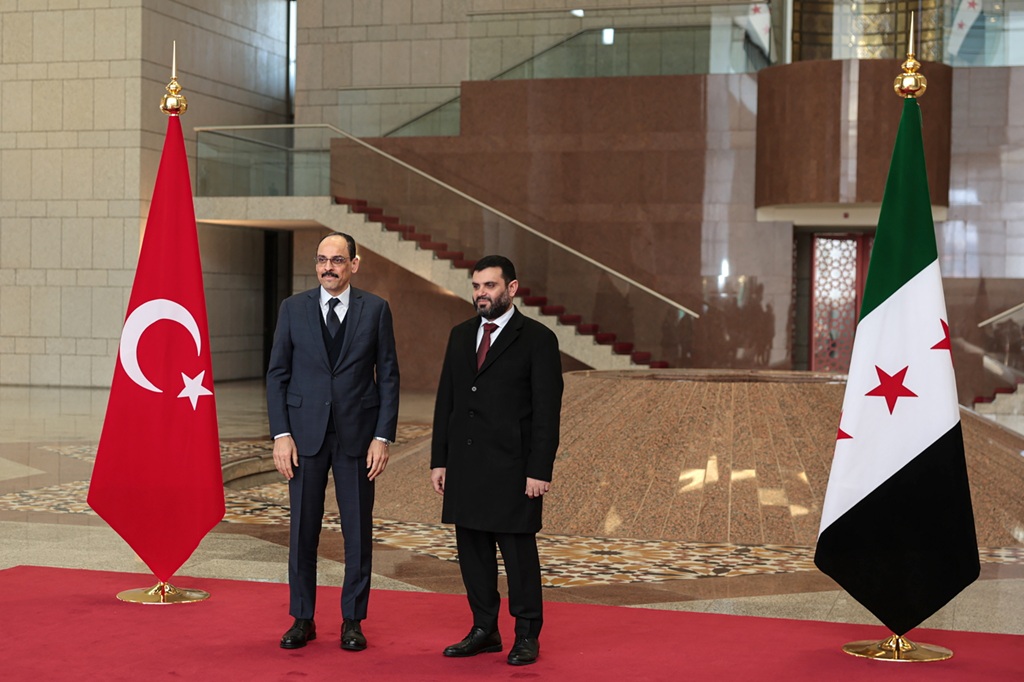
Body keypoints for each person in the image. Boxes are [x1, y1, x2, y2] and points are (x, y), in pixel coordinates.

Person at [267, 231, 399, 652]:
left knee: (357, 532)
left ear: (354, 264)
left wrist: (382, 436)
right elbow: (277, 374)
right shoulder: (292, 308)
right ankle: (302, 618)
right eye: (322, 259)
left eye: (338, 260)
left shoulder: (375, 310)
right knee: (302, 530)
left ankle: (352, 621)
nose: (328, 267)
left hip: (357, 437)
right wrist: (281, 434)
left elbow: (388, 377)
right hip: (303, 435)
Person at [430, 255, 563, 667]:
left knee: (519, 557)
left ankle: (526, 634)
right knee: (472, 554)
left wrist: (539, 469)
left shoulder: (537, 339)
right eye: (476, 286)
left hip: (513, 469)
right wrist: (439, 460)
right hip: (466, 466)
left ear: (511, 288)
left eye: (489, 286)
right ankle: (484, 629)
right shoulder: (460, 335)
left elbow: (547, 412)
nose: (481, 294)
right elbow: (447, 402)